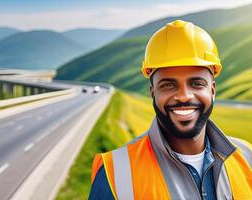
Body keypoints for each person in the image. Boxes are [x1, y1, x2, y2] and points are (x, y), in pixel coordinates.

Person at [88, 20, 252, 200]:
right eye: (168, 85)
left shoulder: (247, 157)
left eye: (197, 83)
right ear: (153, 93)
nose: (184, 96)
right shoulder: (115, 174)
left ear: (212, 91)